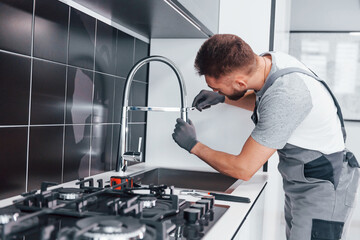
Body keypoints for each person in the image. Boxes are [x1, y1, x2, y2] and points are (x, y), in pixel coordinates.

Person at [172, 34, 359, 240]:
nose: (213, 90)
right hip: (305, 180)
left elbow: (242, 168)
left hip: (323, 187)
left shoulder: (287, 94)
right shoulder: (268, 63)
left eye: (216, 87)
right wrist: (223, 97)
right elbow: (268, 104)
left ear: (241, 83)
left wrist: (193, 145)